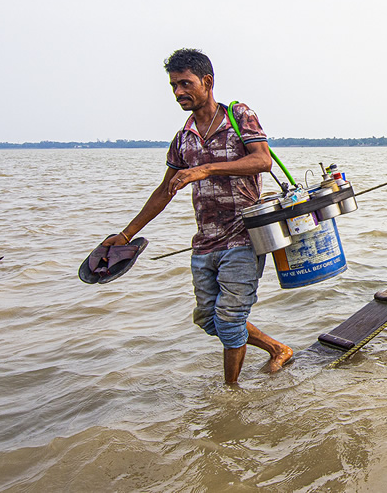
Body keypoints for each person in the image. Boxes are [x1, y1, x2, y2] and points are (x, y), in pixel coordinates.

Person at [98, 48, 293, 383]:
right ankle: (277, 349)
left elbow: (262, 161)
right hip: (205, 244)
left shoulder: (238, 115)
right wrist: (126, 234)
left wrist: (206, 169)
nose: (178, 93)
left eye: (185, 84)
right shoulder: (183, 138)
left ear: (207, 81)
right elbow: (164, 191)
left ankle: (230, 396)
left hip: (244, 237)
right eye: (173, 86)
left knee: (230, 318)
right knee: (208, 319)